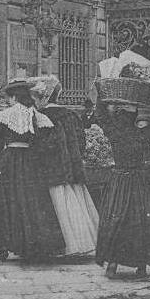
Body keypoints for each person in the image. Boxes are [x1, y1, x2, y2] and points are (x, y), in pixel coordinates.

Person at [0, 79, 66, 262]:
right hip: (31, 163)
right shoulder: (39, 117)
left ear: (14, 97)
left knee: (6, 203)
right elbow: (49, 145)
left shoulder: (3, 116)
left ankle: (4, 247)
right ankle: (33, 246)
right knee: (32, 202)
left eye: (9, 98)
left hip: (9, 163)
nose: (8, 102)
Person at [88, 95, 150, 279]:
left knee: (116, 219)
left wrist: (102, 94)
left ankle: (112, 263)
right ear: (134, 118)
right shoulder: (142, 134)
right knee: (140, 221)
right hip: (139, 181)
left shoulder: (114, 133)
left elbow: (100, 114)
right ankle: (141, 265)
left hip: (119, 180)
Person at [29, 76, 99, 257]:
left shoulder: (40, 116)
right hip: (72, 168)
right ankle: (79, 244)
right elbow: (82, 142)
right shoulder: (71, 114)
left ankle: (56, 246)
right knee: (74, 204)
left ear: (42, 97)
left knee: (55, 205)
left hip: (49, 168)